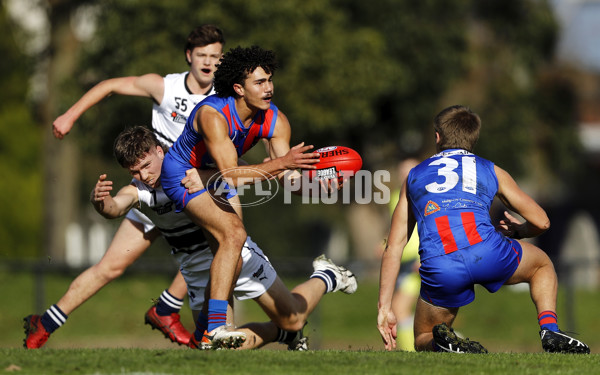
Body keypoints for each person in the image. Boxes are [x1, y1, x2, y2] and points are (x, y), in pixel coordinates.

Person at [24, 25, 226, 349]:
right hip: (153, 190)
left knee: (221, 245)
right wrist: (70, 115)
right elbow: (112, 85)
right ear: (189, 55)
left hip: (189, 189)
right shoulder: (165, 87)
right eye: (202, 55)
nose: (208, 62)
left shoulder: (224, 97)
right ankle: (43, 325)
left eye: (215, 56)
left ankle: (174, 312)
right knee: (111, 266)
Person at [99, 126, 357, 350]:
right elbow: (115, 207)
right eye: (135, 171)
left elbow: (243, 173)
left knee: (294, 318)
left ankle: (327, 276)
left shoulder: (190, 166)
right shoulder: (139, 191)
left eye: (146, 166)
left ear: (159, 151)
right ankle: (282, 333)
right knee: (218, 348)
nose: (144, 176)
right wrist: (101, 201)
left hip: (236, 255)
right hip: (197, 273)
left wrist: (302, 181)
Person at [377, 105, 590, 354]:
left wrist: (384, 307)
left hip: (441, 264)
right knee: (542, 265)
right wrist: (519, 231)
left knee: (423, 336)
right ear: (473, 139)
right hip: (488, 252)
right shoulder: (491, 170)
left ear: (437, 137)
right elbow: (542, 221)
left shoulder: (414, 176)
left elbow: (394, 246)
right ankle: (549, 330)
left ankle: (442, 342)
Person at [160, 45, 328, 347]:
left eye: (270, 80)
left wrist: (318, 188)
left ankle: (204, 336)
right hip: (182, 177)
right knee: (234, 235)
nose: (269, 89)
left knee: (233, 256)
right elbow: (231, 176)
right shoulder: (214, 115)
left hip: (213, 176)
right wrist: (279, 163)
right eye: (259, 83)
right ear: (238, 88)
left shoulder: (276, 120)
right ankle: (214, 330)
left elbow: (287, 178)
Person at [387, 158, 420, 351]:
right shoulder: (396, 197)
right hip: (402, 262)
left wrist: (423, 259)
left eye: (409, 172)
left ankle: (410, 352)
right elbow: (399, 230)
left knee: (400, 309)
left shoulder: (422, 197)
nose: (404, 176)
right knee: (412, 312)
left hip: (418, 261)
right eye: (402, 172)